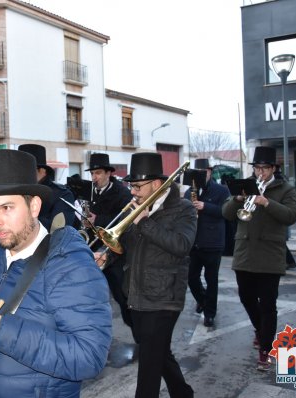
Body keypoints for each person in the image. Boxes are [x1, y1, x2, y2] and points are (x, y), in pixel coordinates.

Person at [0, 149, 112, 397]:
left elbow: (89, 357)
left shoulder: (71, 267)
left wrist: (5, 333)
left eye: (6, 207)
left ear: (34, 206)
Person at [96, 152, 196, 398]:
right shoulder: (138, 208)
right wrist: (107, 257)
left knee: (150, 363)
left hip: (164, 296)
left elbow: (182, 245)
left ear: (156, 184)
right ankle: (183, 393)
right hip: (136, 293)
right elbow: (126, 247)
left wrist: (145, 222)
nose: (133, 192)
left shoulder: (183, 208)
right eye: (131, 186)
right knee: (158, 352)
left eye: (137, 186)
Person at [222, 146, 296, 371]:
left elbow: (292, 216)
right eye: (257, 168)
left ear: (273, 168)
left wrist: (267, 202)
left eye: (265, 168)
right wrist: (237, 198)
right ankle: (260, 329)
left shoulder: (285, 188)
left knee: (268, 304)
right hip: (244, 253)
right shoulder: (246, 184)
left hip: (269, 255)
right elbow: (226, 214)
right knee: (246, 298)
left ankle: (266, 348)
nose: (260, 173)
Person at [85, 153, 134, 333]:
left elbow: (123, 220)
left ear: (108, 173)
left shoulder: (122, 193)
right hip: (93, 251)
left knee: (122, 296)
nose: (94, 178)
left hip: (115, 254)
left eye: (97, 173)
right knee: (93, 297)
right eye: (92, 174)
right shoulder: (90, 191)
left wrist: (97, 219)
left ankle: (137, 331)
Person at [183, 159, 230, 327]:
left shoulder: (222, 191)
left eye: (205, 172)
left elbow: (226, 212)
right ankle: (203, 300)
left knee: (212, 280)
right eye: (198, 172)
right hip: (194, 243)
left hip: (213, 243)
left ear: (210, 172)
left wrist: (205, 206)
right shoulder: (189, 191)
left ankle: (210, 313)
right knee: (191, 278)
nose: (202, 175)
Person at [18, 144, 76, 229]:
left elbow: (59, 230)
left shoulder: (62, 195)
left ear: (42, 170)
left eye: (27, 170)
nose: (21, 174)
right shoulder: (15, 192)